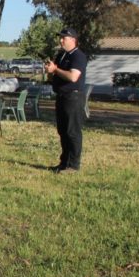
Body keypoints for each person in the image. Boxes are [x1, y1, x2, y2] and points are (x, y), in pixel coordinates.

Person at [44, 27, 88, 174]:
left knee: (72, 131)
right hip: (61, 96)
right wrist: (50, 71)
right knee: (63, 131)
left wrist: (55, 69)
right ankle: (64, 163)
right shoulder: (62, 55)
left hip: (73, 97)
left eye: (64, 38)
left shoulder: (78, 56)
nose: (61, 40)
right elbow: (53, 76)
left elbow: (73, 77)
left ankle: (73, 165)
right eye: (60, 38)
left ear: (73, 40)